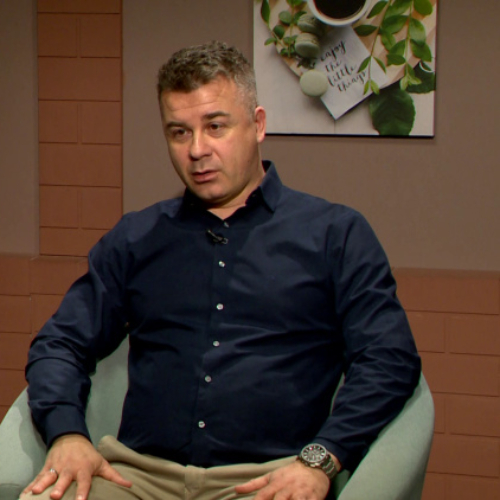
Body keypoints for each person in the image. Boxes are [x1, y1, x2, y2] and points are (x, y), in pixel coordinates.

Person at [22, 41, 421, 500]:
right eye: (179, 132)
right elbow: (61, 343)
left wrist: (322, 458)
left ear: (258, 125)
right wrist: (67, 434)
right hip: (138, 477)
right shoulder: (136, 238)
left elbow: (388, 359)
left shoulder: (335, 234)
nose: (197, 150)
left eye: (215, 127)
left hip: (269, 479)